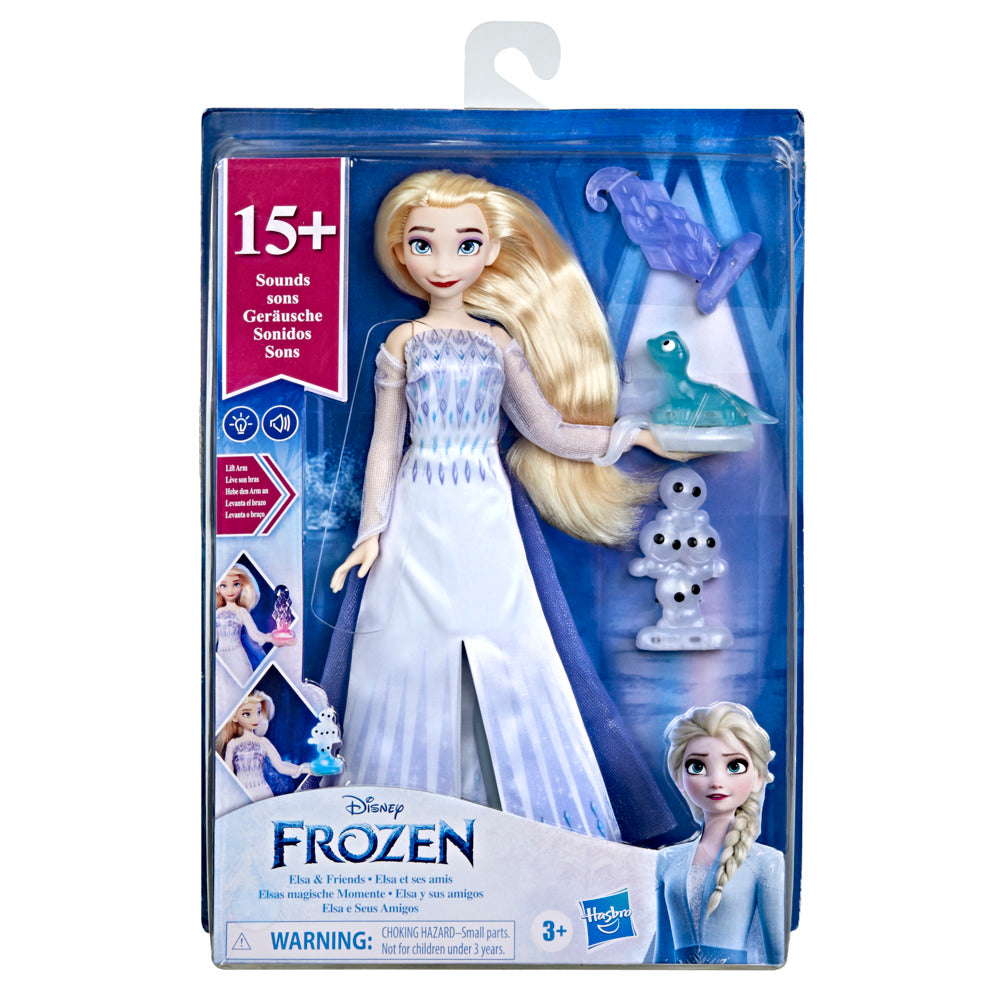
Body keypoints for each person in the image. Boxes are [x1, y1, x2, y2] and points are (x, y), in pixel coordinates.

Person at [326, 170, 692, 845]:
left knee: (512, 643)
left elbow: (547, 429)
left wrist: (629, 436)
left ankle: (543, 829)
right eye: (423, 244)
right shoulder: (403, 342)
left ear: (491, 252)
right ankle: (394, 826)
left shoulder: (499, 343)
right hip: (418, 509)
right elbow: (384, 443)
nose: (443, 262)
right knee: (407, 648)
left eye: (465, 244)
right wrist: (371, 531)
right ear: (401, 251)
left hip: (485, 511)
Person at [651, 702, 784, 964]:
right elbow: (662, 954)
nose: (716, 782)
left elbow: (777, 956)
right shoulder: (667, 860)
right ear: (679, 779)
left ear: (758, 777)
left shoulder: (765, 862)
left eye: (734, 766)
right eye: (697, 767)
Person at [216, 691, 310, 801]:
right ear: (234, 717)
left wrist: (304, 769)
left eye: (259, 712)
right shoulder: (233, 744)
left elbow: (280, 766)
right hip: (241, 793)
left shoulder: (263, 742)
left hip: (262, 791)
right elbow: (227, 774)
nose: (255, 718)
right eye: (247, 714)